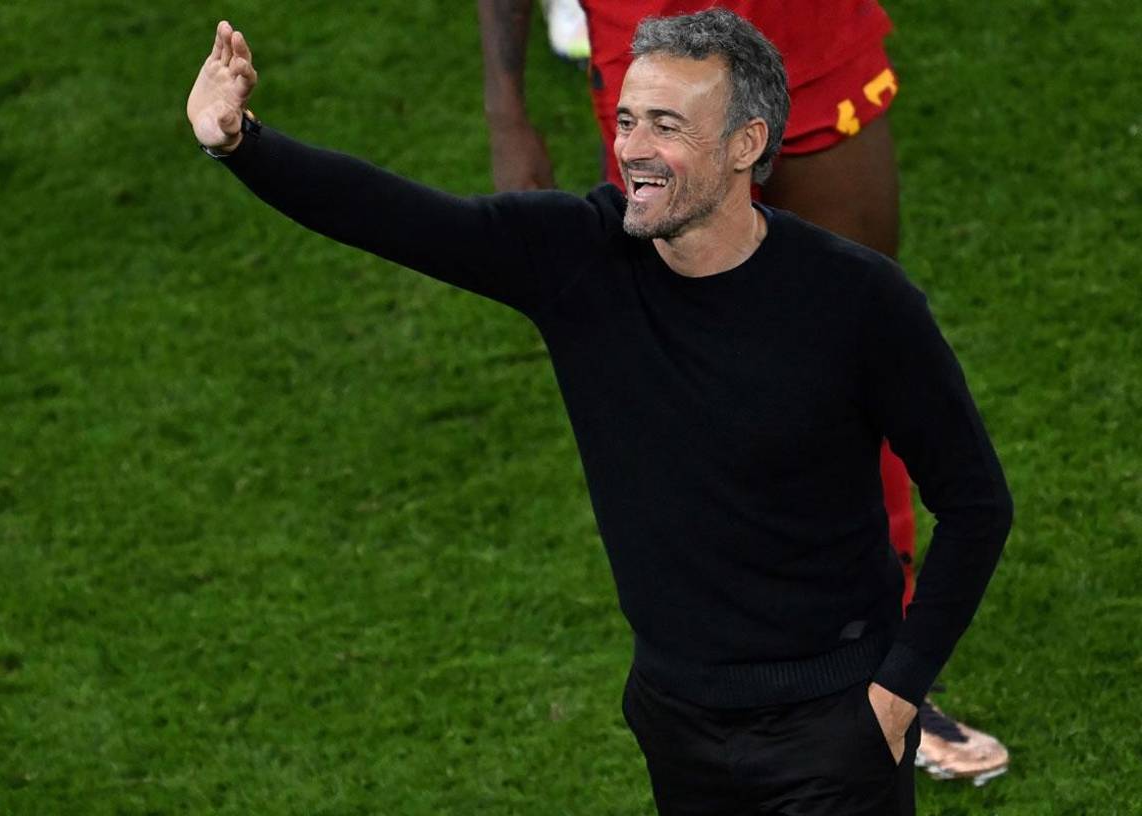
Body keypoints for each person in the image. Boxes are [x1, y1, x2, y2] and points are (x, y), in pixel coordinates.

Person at [187, 11, 1012, 813]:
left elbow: (975, 502)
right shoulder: (576, 258)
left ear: (744, 147)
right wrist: (239, 141)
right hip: (675, 720)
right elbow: (400, 217)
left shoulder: (859, 302)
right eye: (625, 119)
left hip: (832, 728)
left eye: (665, 126)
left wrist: (898, 693)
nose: (633, 151)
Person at [477, 0, 1012, 784]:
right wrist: (507, 109)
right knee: (687, 316)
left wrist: (892, 684)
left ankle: (891, 666)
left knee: (857, 326)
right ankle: (728, 680)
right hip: (657, 27)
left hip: (804, 19)